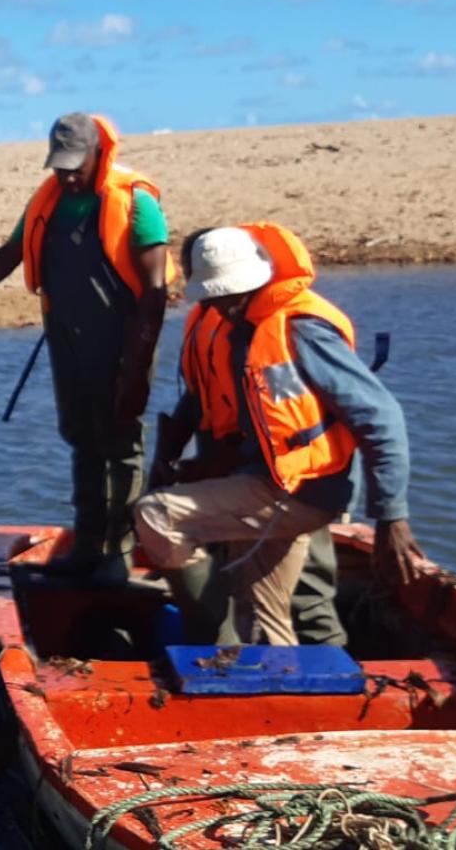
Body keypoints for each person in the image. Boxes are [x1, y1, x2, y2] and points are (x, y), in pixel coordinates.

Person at [134, 224, 423, 646]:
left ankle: (216, 644)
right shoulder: (234, 326)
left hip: (299, 492)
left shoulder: (300, 328)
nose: (223, 306)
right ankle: (285, 690)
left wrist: (391, 516)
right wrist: (181, 459)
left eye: (231, 294)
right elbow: (207, 402)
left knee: (155, 514)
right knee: (262, 616)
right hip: (265, 482)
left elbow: (381, 418)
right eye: (216, 296)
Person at [0, 113, 174, 580]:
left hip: (122, 341)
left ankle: (117, 552)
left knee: (120, 441)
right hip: (67, 337)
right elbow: (10, 253)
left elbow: (155, 293)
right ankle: (86, 544)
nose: (68, 174)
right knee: (81, 438)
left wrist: (136, 370)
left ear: (101, 154)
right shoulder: (49, 200)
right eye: (60, 165)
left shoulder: (136, 202)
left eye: (76, 164)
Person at [148, 227, 345, 645]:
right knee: (244, 573)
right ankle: (230, 643)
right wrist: (169, 457)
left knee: (306, 579)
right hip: (234, 462)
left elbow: (360, 412)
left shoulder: (274, 323)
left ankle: (325, 649)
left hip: (292, 471)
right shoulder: (210, 319)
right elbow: (198, 397)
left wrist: (391, 512)